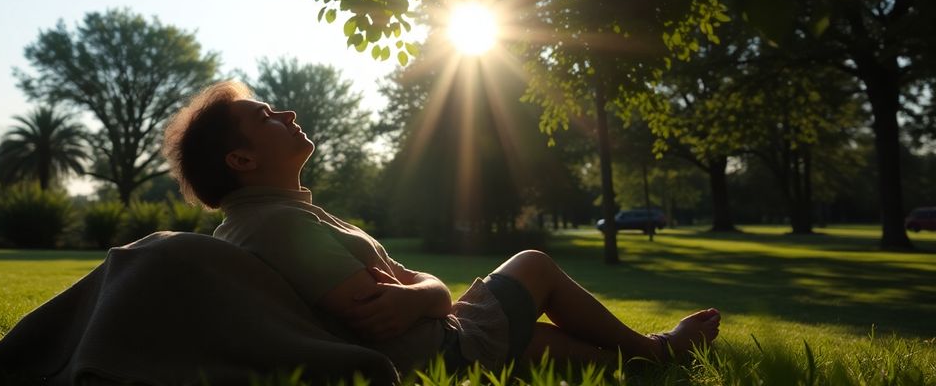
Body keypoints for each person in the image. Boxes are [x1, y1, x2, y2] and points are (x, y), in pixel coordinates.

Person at [161, 80, 721, 376]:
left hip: (437, 337)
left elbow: (418, 288)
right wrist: (428, 298)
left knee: (545, 344)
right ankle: (663, 351)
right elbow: (383, 316)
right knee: (532, 265)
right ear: (241, 161)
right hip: (432, 356)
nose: (287, 116)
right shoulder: (279, 227)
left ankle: (649, 359)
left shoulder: (274, 219)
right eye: (266, 117)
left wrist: (426, 295)